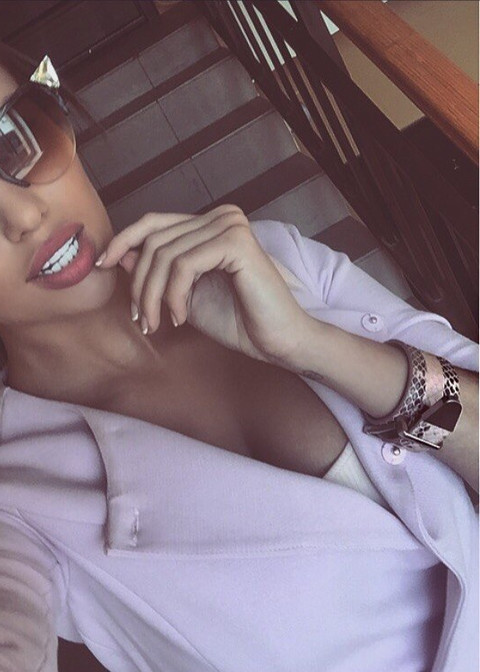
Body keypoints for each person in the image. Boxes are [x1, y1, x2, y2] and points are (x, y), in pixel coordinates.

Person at [0, 47, 477, 672]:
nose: (25, 214)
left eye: (12, 138)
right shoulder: (19, 495)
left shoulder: (273, 256)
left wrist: (312, 344)